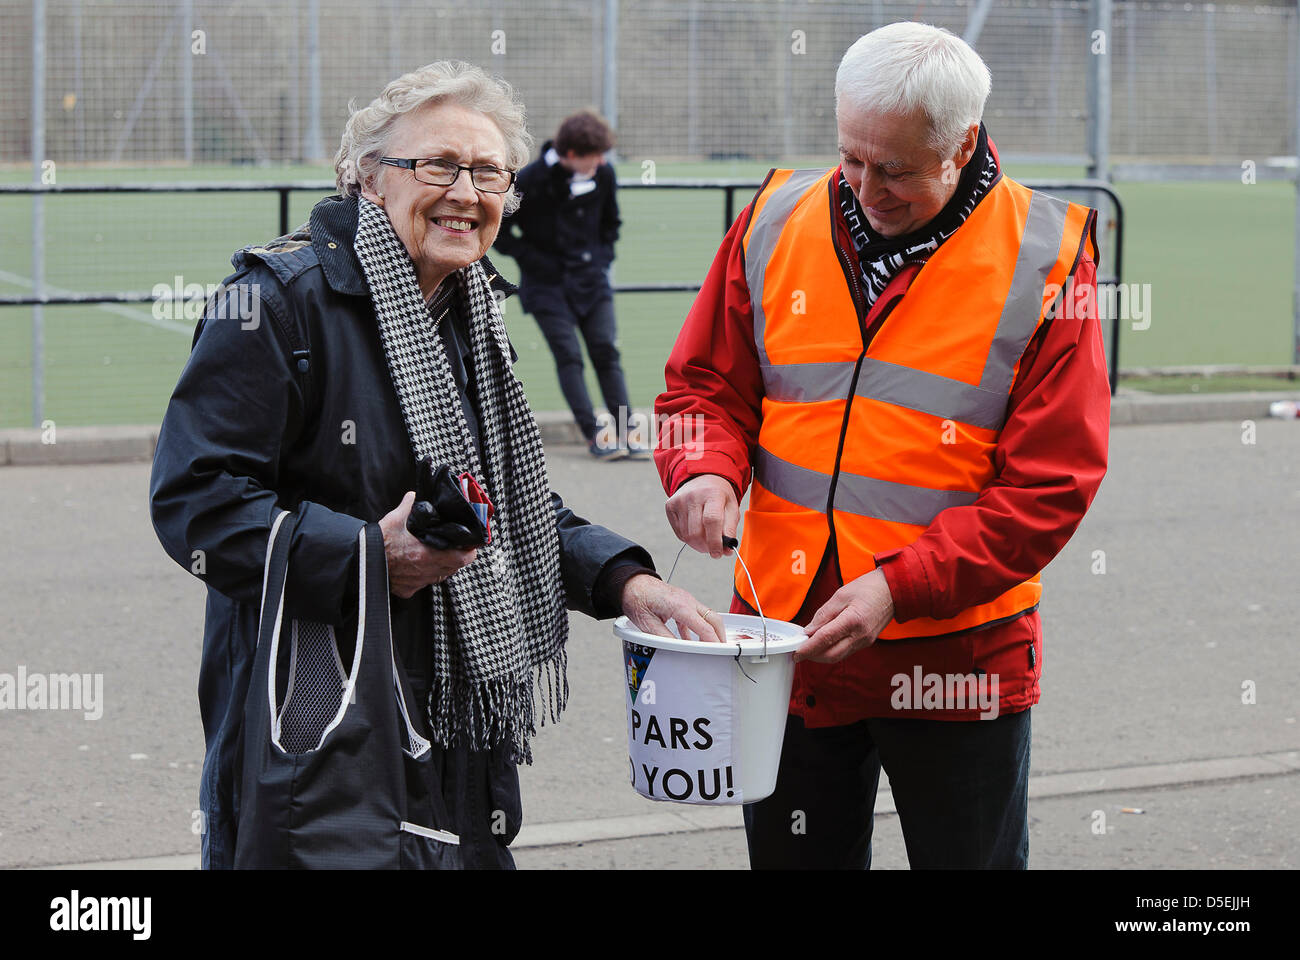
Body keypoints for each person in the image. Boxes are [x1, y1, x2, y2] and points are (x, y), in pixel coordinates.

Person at [149, 61, 725, 870]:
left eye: (489, 172)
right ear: (366, 180)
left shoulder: (472, 309)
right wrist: (364, 558)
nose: (467, 191)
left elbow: (507, 504)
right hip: (321, 714)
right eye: (438, 166)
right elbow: (196, 503)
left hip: (456, 725)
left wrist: (626, 581)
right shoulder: (281, 301)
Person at [654, 22, 1111, 869]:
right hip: (782, 645)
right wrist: (705, 468)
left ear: (963, 143)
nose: (865, 187)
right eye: (851, 158)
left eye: (895, 168)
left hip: (957, 656)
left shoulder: (1047, 256)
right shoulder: (776, 216)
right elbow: (701, 390)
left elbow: (1051, 485)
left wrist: (901, 587)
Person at [492, 108, 647, 460]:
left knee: (606, 352)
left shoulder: (604, 175)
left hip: (592, 284)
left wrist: (601, 259)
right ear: (573, 155)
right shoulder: (530, 180)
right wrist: (532, 259)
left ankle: (628, 432)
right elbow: (499, 230)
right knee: (569, 356)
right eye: (594, 158)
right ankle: (596, 436)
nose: (600, 163)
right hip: (546, 287)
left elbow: (611, 224)